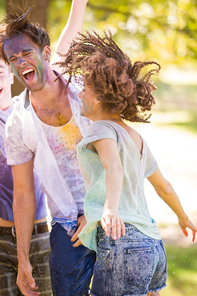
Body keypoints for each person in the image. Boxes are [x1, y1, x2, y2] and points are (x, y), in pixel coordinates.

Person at [56, 30, 197, 296]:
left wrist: (110, 208)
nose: (80, 94)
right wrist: (183, 217)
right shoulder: (136, 138)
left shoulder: (100, 130)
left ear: (98, 97)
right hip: (153, 244)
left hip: (124, 241)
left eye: (84, 89)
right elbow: (163, 186)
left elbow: (114, 167)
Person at [0, 1, 96, 296]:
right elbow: (24, 193)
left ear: (46, 53)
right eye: (12, 58)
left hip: (114, 212)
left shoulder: (86, 92)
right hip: (67, 227)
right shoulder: (17, 123)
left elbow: (121, 151)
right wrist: (24, 260)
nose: (20, 62)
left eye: (26, 53)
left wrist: (98, 208)